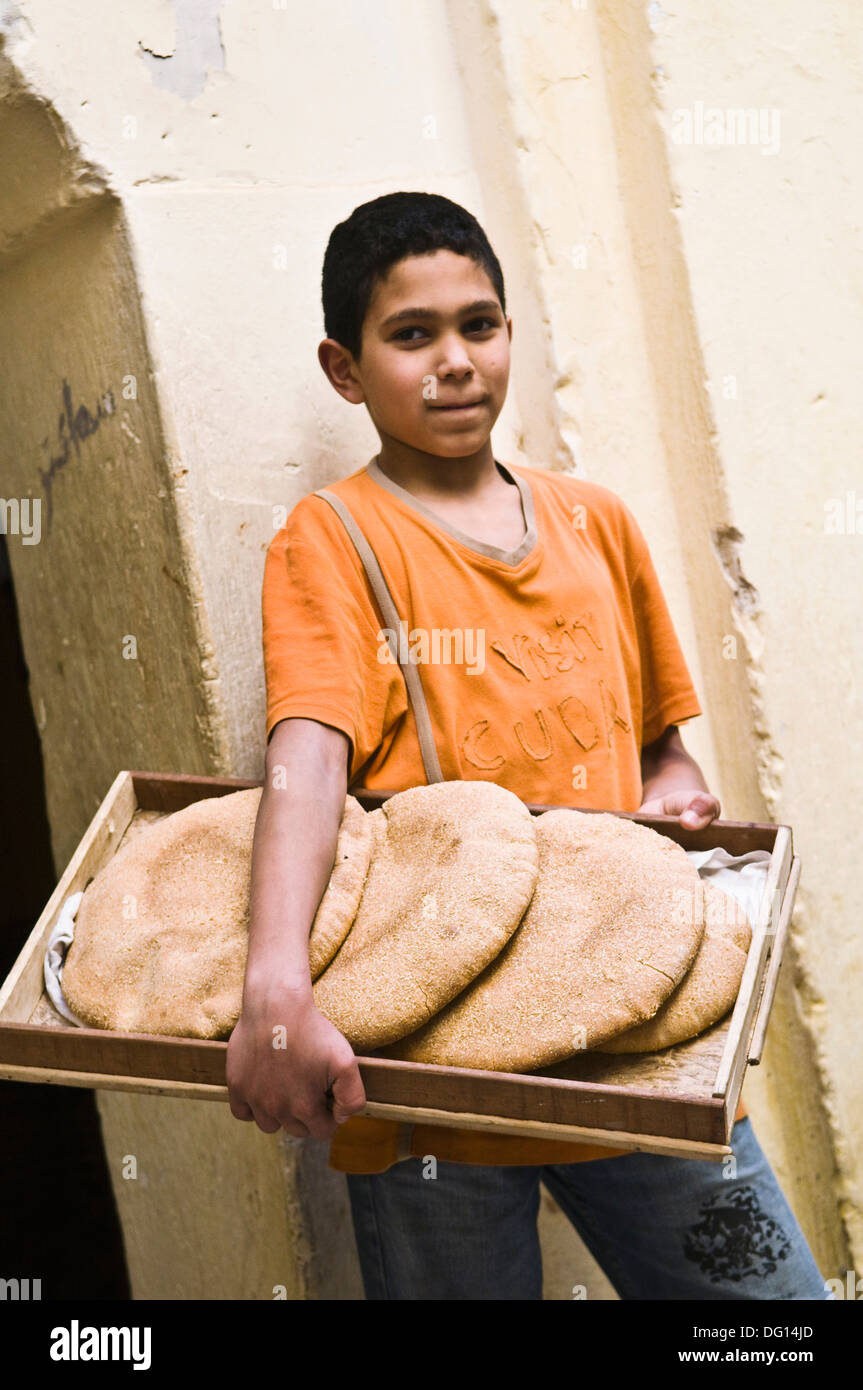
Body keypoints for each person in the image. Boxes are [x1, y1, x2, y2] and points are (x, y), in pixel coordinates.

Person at [226, 191, 830, 1301]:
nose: (454, 361)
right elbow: (304, 765)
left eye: (479, 324)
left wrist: (672, 798)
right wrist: (275, 991)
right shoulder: (335, 540)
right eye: (412, 335)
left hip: (633, 1046)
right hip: (429, 1085)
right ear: (344, 368)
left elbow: (665, 751)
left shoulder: (594, 522)